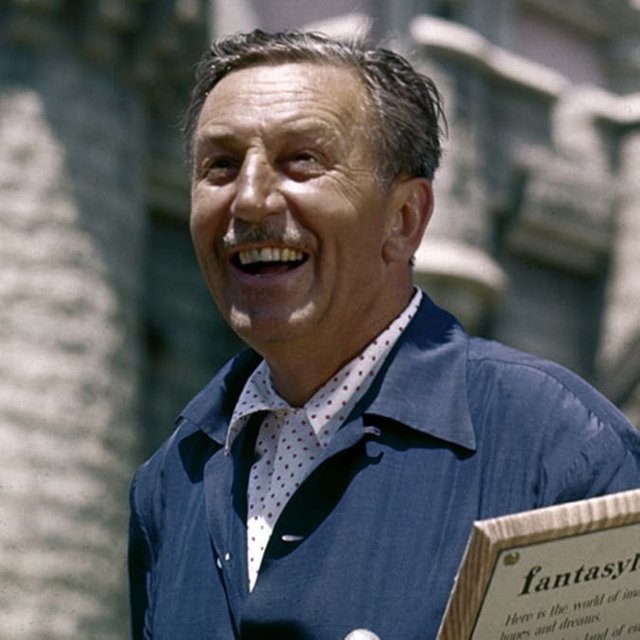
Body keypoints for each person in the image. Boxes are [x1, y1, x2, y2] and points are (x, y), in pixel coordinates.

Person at [128, 29, 640, 639]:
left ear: (404, 219)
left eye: (302, 161)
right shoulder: (170, 480)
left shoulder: (556, 447)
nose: (250, 198)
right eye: (220, 165)